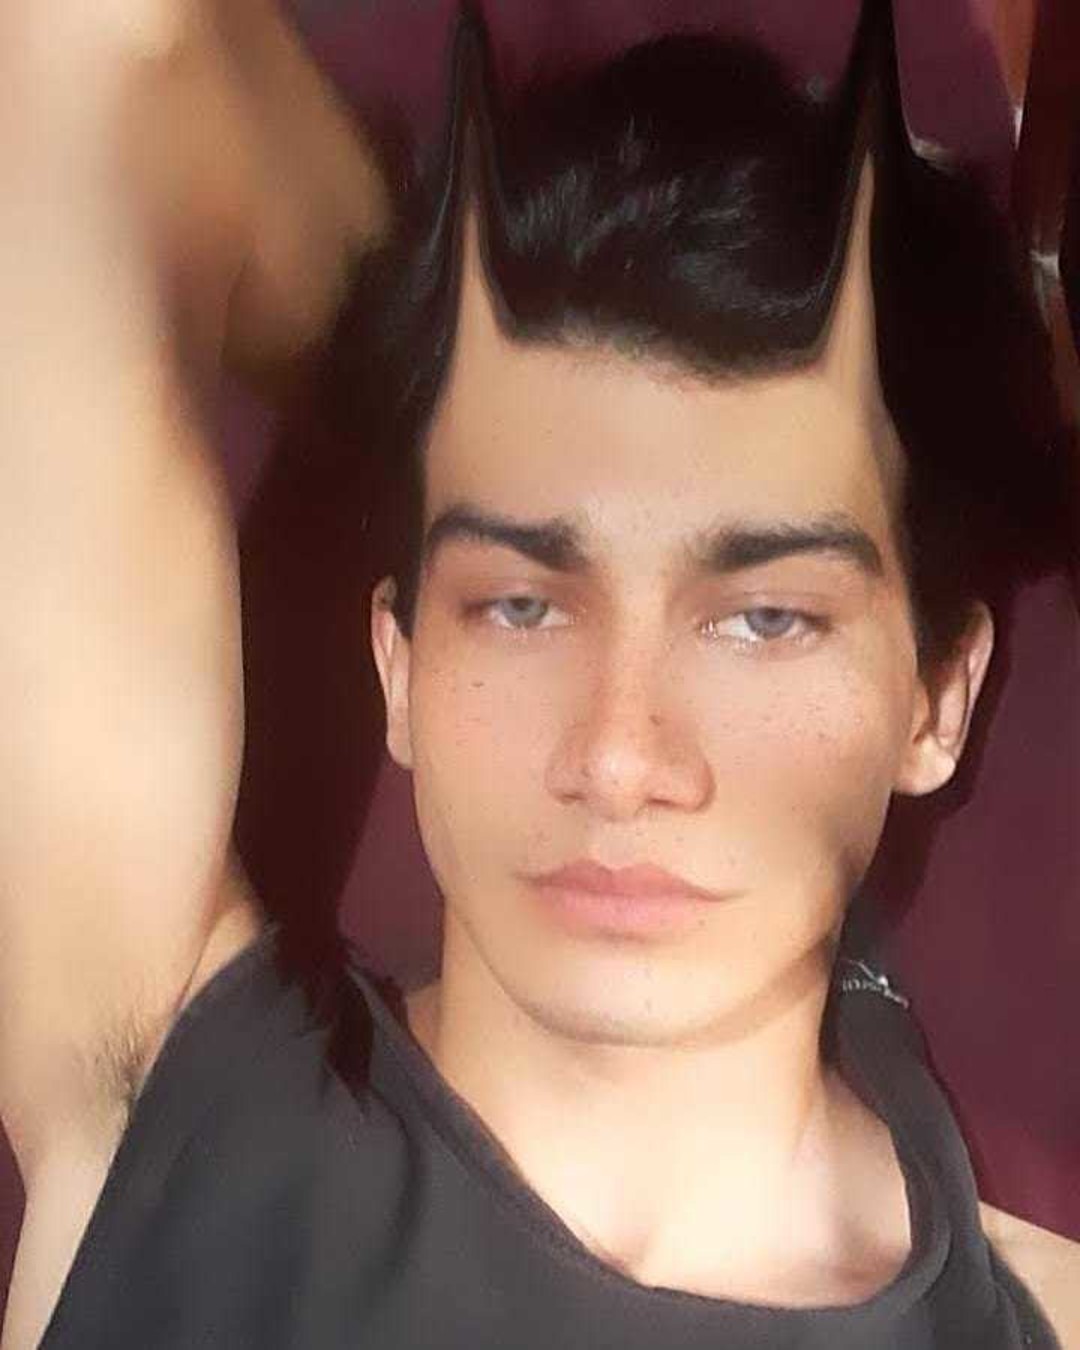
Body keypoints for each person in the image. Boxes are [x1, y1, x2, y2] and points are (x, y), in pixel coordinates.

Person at [0, 2, 1077, 1347]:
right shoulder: (162, 1109)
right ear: (400, 664)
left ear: (938, 700)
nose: (619, 756)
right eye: (520, 604)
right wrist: (389, 327)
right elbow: (87, 45)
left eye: (764, 620)